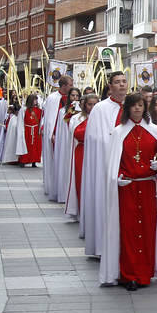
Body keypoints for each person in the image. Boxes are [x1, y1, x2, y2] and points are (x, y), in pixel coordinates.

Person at [99, 93, 157, 291]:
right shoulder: (119, 132)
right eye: (134, 106)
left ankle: (145, 272)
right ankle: (129, 274)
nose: (138, 109)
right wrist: (118, 176)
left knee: (148, 230)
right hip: (128, 188)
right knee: (129, 231)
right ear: (128, 109)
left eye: (141, 105)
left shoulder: (154, 130)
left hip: (148, 188)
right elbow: (112, 162)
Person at [82, 71, 128, 255]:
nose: (122, 85)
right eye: (117, 82)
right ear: (110, 86)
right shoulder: (100, 109)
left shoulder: (133, 105)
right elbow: (94, 138)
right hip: (106, 162)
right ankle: (103, 247)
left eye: (124, 81)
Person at [65, 93, 98, 221]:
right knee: (81, 179)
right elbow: (76, 134)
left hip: (97, 152)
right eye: (90, 104)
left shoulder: (102, 117)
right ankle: (81, 210)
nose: (93, 107)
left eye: (95, 104)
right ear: (84, 105)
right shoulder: (77, 118)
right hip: (82, 151)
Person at [42, 77, 73, 201]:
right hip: (55, 135)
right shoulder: (52, 98)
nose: (72, 86)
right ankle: (54, 187)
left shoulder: (72, 99)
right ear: (64, 86)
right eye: (70, 84)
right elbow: (50, 118)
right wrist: (52, 134)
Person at [56, 87, 81, 201]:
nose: (75, 98)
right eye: (72, 96)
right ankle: (64, 193)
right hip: (65, 141)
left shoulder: (82, 112)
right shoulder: (62, 111)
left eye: (77, 96)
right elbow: (61, 128)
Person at [18, 94, 43, 167]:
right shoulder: (24, 109)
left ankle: (34, 161)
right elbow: (21, 120)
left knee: (35, 147)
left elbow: (41, 120)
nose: (36, 101)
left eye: (36, 100)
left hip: (35, 130)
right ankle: (23, 161)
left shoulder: (39, 110)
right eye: (34, 100)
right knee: (26, 145)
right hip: (27, 130)